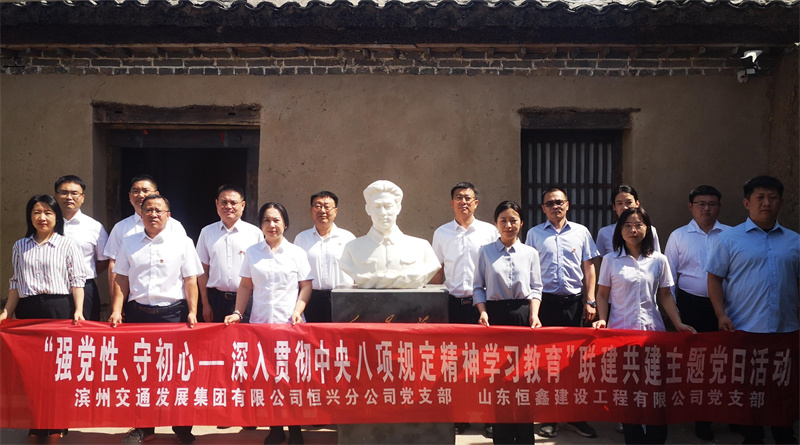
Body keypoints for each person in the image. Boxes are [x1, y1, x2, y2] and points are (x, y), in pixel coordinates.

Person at [707, 175, 798, 445]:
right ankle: (753, 437)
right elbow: (714, 278)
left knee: (783, 388)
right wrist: (721, 314)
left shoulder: (794, 241)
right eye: (760, 198)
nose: (766, 203)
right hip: (745, 329)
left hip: (785, 329)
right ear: (747, 203)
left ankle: (784, 435)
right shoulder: (729, 239)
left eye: (772, 198)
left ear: (781, 202)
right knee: (748, 390)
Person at [592, 207, 695, 445]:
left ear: (647, 229)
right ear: (620, 230)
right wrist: (602, 319)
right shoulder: (610, 260)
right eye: (627, 225)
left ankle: (656, 439)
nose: (633, 230)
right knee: (628, 392)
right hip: (621, 335)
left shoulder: (659, 260)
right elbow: (602, 294)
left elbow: (665, 295)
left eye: (638, 225)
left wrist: (678, 323)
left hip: (652, 333)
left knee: (655, 390)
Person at [109, 194, 201, 444]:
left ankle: (182, 427)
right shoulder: (128, 242)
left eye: (159, 210)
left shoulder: (182, 242)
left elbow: (190, 279)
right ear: (141, 214)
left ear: (168, 215)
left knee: (177, 373)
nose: (153, 214)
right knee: (141, 373)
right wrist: (117, 309)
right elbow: (121, 278)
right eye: (148, 210)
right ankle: (144, 427)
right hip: (139, 314)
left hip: (173, 314)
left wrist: (193, 311)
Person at [224, 202, 313, 445]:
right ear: (261, 225)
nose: (271, 225)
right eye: (266, 220)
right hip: (261, 326)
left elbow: (306, 286)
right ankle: (275, 428)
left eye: (276, 220)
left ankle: (295, 428)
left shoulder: (297, 253)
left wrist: (298, 311)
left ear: (285, 223)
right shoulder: (253, 252)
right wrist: (238, 312)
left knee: (291, 378)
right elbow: (246, 285)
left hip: (289, 325)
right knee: (268, 378)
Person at [1, 195, 86, 443]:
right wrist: (7, 311)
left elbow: (77, 281)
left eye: (48, 212)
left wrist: (78, 310)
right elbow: (16, 282)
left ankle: (56, 423)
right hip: (28, 311)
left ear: (56, 217)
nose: (42, 217)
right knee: (31, 370)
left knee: (56, 369)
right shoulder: (20, 246)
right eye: (37, 212)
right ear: (30, 217)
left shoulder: (67, 245)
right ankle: (36, 423)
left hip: (58, 308)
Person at [524, 187, 598, 440]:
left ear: (567, 204)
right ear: (543, 208)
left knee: (574, 362)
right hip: (545, 304)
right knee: (547, 361)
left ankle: (575, 417)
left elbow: (589, 268)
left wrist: (591, 300)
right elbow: (529, 269)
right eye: (549, 203)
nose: (555, 206)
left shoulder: (581, 232)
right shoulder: (534, 234)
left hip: (574, 304)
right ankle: (550, 417)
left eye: (559, 202)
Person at [431, 182, 498, 437]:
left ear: (476, 203)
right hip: (453, 305)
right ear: (451, 203)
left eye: (468, 198)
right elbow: (438, 271)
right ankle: (459, 415)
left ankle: (489, 417)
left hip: (483, 306)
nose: (463, 202)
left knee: (486, 361)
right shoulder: (442, 233)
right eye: (458, 198)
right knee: (454, 362)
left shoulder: (489, 231)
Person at [664, 185, 730, 442]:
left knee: (723, 362)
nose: (706, 208)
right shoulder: (679, 236)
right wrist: (676, 314)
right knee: (696, 364)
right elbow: (668, 278)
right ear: (691, 207)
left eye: (712, 204)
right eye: (701, 203)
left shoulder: (731, 234)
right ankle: (701, 418)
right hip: (690, 305)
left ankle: (727, 414)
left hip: (724, 308)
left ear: (719, 207)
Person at [473, 201, 543, 445]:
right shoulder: (485, 252)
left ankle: (524, 436)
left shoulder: (530, 253)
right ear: (496, 224)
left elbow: (536, 288)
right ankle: (502, 436)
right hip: (495, 317)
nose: (508, 225)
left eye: (513, 220)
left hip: (523, 316)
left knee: (523, 377)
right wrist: (483, 312)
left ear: (521, 223)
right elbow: (478, 287)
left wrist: (534, 314)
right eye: (503, 220)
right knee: (499, 378)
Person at [104, 175, 187, 310]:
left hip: (170, 305)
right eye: (136, 191)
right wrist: (116, 305)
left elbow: (187, 268)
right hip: (133, 300)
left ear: (157, 194)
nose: (140, 195)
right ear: (129, 196)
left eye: (145, 190)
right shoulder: (121, 228)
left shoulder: (175, 226)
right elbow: (114, 266)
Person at [339, 180, 440, 289]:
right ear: (368, 209)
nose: (383, 213)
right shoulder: (352, 248)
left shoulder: (422, 247)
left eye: (388, 206)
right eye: (377, 206)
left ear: (398, 208)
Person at [196, 185, 263, 323]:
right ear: (217, 203)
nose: (228, 206)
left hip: (247, 300)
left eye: (233, 203)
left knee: (244, 337)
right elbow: (202, 271)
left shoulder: (254, 233)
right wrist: (205, 304)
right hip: (217, 301)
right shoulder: (207, 232)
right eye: (224, 202)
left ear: (243, 205)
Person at [294, 191, 356, 322]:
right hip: (311, 300)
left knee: (342, 334)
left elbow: (357, 273)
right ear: (311, 210)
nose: (322, 211)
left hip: (343, 299)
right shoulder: (301, 239)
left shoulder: (348, 238)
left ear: (335, 211)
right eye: (317, 206)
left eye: (327, 207)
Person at [54, 175, 109, 321]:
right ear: (56, 196)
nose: (69, 197)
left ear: (82, 197)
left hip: (85, 287)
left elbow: (104, 260)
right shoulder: (47, 224)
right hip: (53, 289)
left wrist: (82, 274)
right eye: (64, 193)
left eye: (74, 193)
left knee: (86, 330)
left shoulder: (94, 227)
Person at [595, 185, 661, 256]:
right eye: (619, 203)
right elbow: (600, 261)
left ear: (637, 204)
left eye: (629, 202)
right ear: (614, 207)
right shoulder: (604, 233)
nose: (624, 207)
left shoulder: (650, 230)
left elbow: (655, 257)